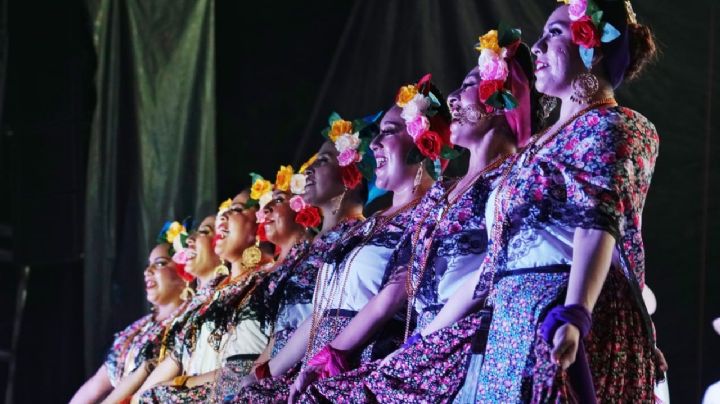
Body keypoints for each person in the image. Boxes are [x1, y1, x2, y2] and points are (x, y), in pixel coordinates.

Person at [296, 28, 534, 403]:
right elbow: (402, 280)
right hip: (421, 346)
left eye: (472, 83)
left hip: (462, 344)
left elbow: (507, 266)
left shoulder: (514, 178)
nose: (453, 98)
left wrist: (414, 349)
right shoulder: (440, 195)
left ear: (505, 98)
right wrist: (333, 354)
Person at [471, 1, 662, 401]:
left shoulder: (619, 125)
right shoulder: (531, 150)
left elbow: (598, 221)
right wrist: (428, 337)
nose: (537, 47)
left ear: (594, 45)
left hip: (562, 312)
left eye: (554, 34)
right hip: (510, 321)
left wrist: (576, 313)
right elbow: (493, 263)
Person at [230, 108, 431, 403]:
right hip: (313, 363)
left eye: (323, 161)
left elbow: (391, 297)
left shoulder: (425, 213)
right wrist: (265, 373)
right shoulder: (366, 229)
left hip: (362, 359)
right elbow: (319, 314)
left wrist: (333, 353)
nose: (376, 144)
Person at [133, 190, 276, 402]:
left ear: (259, 225)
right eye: (222, 213)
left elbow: (242, 372)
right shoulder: (214, 291)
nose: (223, 217)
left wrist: (178, 384)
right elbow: (177, 357)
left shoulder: (263, 282)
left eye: (236, 210)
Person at [70, 224, 188, 403]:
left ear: (185, 273)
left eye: (160, 263)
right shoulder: (138, 328)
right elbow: (95, 386)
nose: (148, 272)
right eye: (148, 265)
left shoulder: (188, 322)